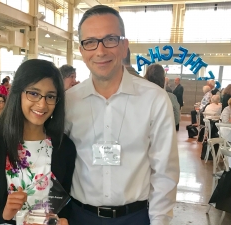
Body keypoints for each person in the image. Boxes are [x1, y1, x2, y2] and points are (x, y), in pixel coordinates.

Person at [65, 5, 179, 225]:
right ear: (81, 49)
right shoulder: (69, 101)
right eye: (90, 42)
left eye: (110, 39)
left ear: (124, 46)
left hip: (135, 217)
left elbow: (165, 171)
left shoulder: (154, 99)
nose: (100, 51)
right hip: (80, 217)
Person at [0, 59, 76, 225]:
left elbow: (67, 202)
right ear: (17, 93)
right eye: (34, 93)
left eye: (50, 96)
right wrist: (4, 213)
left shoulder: (63, 147)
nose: (42, 104)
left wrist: (65, 219)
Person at [144, 64, 180, 128]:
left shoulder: (140, 95)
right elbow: (177, 119)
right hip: (164, 132)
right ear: (163, 79)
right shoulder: (170, 97)